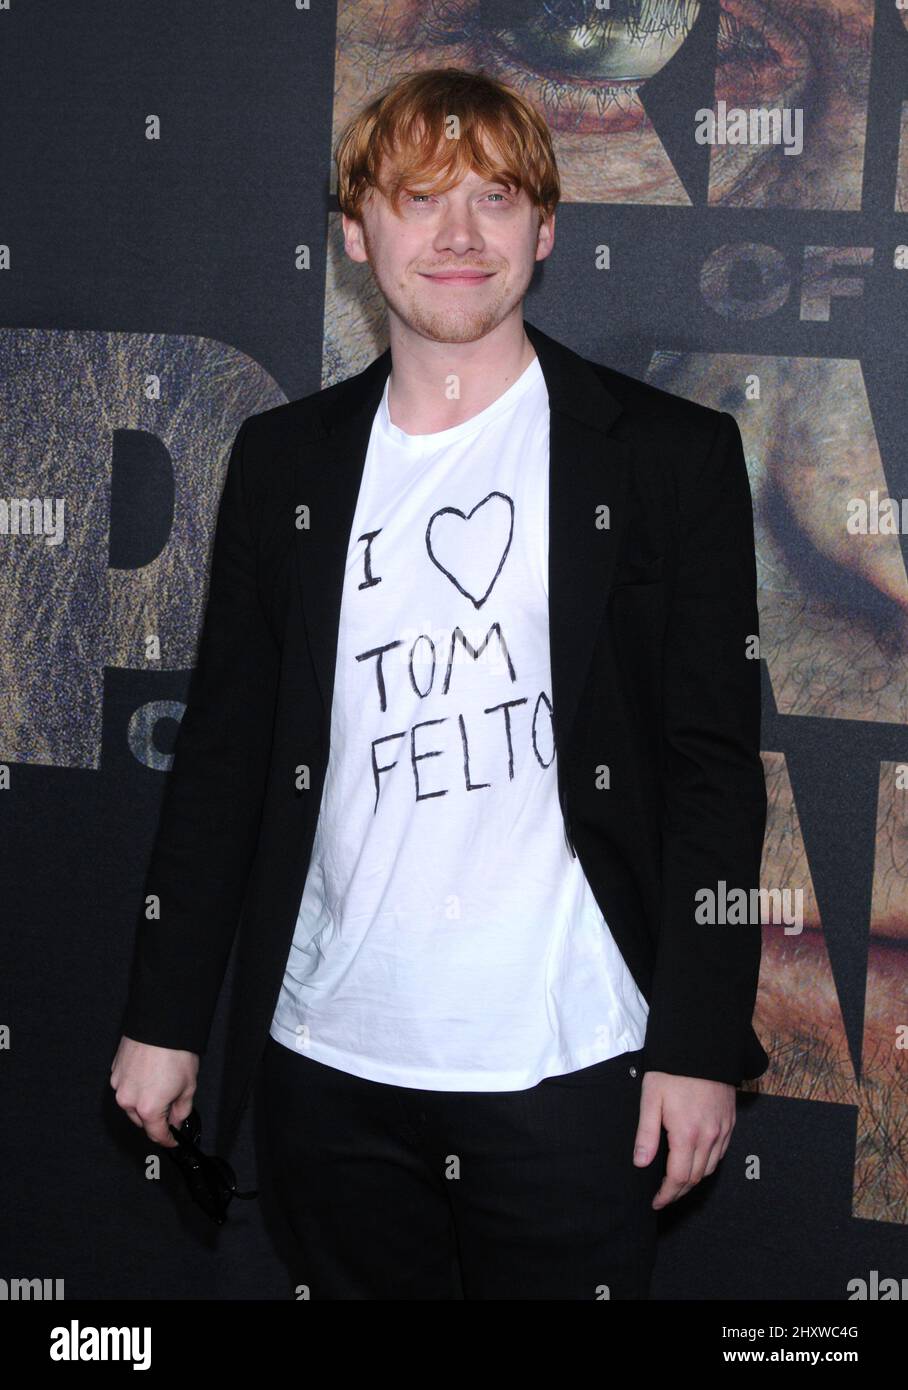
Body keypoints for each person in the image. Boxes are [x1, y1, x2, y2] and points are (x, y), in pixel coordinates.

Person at [111, 66, 769, 1300]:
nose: (459, 235)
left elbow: (711, 771)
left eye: (497, 196)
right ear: (356, 234)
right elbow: (223, 760)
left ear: (546, 228)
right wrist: (164, 1016)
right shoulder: (281, 462)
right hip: (326, 1065)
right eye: (418, 199)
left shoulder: (669, 458)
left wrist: (695, 1041)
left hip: (575, 1073)